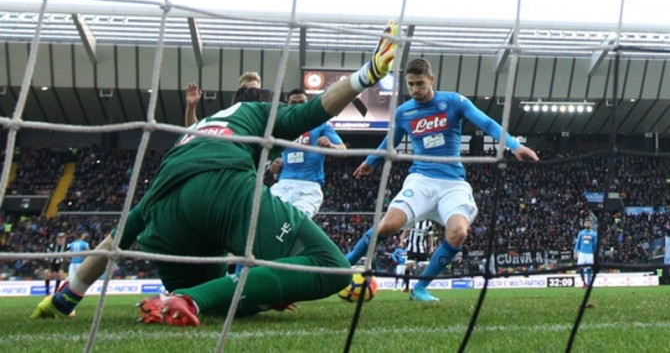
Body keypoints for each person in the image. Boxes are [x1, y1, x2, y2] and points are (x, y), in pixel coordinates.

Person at [31, 20, 399, 325]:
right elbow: (314, 110)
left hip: (166, 218)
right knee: (331, 267)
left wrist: (67, 297)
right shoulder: (260, 113)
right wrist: (367, 74)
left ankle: (181, 299)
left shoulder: (196, 131)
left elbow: (116, 241)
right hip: (223, 185)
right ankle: (194, 298)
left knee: (228, 303)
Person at [344, 57, 539, 302]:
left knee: (458, 232)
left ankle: (420, 289)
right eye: (411, 84)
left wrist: (514, 145)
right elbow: (390, 140)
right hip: (421, 180)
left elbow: (487, 123)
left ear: (431, 79)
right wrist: (370, 162)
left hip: (453, 183)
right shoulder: (404, 112)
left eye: (420, 84)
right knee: (388, 226)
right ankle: (343, 265)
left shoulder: (454, 101)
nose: (415, 89)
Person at [268, 88, 346, 218]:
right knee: (266, 218)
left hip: (308, 187)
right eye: (293, 103)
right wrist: (273, 166)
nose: (298, 106)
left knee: (295, 222)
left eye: (301, 102)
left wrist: (330, 146)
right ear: (288, 104)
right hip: (283, 185)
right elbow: (272, 160)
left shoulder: (320, 124)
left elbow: (343, 150)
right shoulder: (281, 126)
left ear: (307, 104)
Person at [400, 220, 435, 292]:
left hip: (422, 249)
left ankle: (423, 286)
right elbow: (405, 232)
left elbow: (430, 236)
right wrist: (401, 242)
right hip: (411, 248)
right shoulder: (413, 220)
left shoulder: (428, 223)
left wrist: (431, 247)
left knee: (427, 268)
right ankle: (407, 286)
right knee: (408, 266)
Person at [574, 217, 597, 288]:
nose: (587, 224)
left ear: (591, 224)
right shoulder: (581, 233)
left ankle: (589, 284)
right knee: (580, 268)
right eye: (586, 223)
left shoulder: (594, 234)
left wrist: (594, 253)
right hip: (582, 253)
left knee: (589, 269)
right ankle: (584, 282)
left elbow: (595, 244)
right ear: (584, 224)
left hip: (589, 253)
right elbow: (578, 243)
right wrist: (575, 252)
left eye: (589, 223)